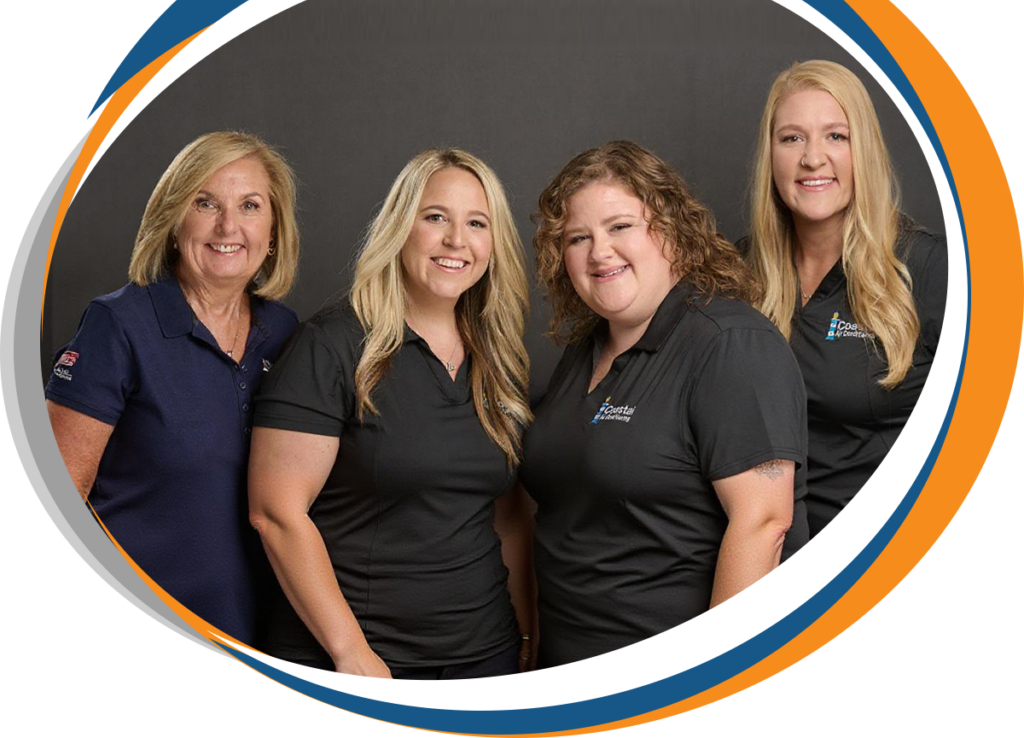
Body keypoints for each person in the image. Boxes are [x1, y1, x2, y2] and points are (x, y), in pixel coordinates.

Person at [249, 148, 533, 679]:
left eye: (477, 223)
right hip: (359, 659)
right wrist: (351, 654)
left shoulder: (498, 359)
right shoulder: (332, 345)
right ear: (401, 228)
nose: (456, 240)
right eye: (435, 218)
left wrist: (523, 629)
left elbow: (509, 518)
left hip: (484, 657)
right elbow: (276, 513)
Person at [523, 141, 807, 668]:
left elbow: (764, 522)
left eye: (620, 226)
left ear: (673, 229)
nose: (598, 251)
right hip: (563, 670)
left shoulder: (730, 343)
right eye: (578, 237)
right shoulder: (584, 351)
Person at [45, 131, 301, 644]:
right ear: (173, 220)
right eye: (205, 203)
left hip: (265, 637)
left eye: (249, 205)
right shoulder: (117, 324)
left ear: (273, 232)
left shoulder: (287, 333)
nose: (228, 226)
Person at [745, 60, 947, 537]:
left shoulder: (927, 268)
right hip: (769, 562)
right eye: (792, 138)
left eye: (836, 136)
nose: (813, 158)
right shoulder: (738, 275)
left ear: (866, 152)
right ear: (770, 155)